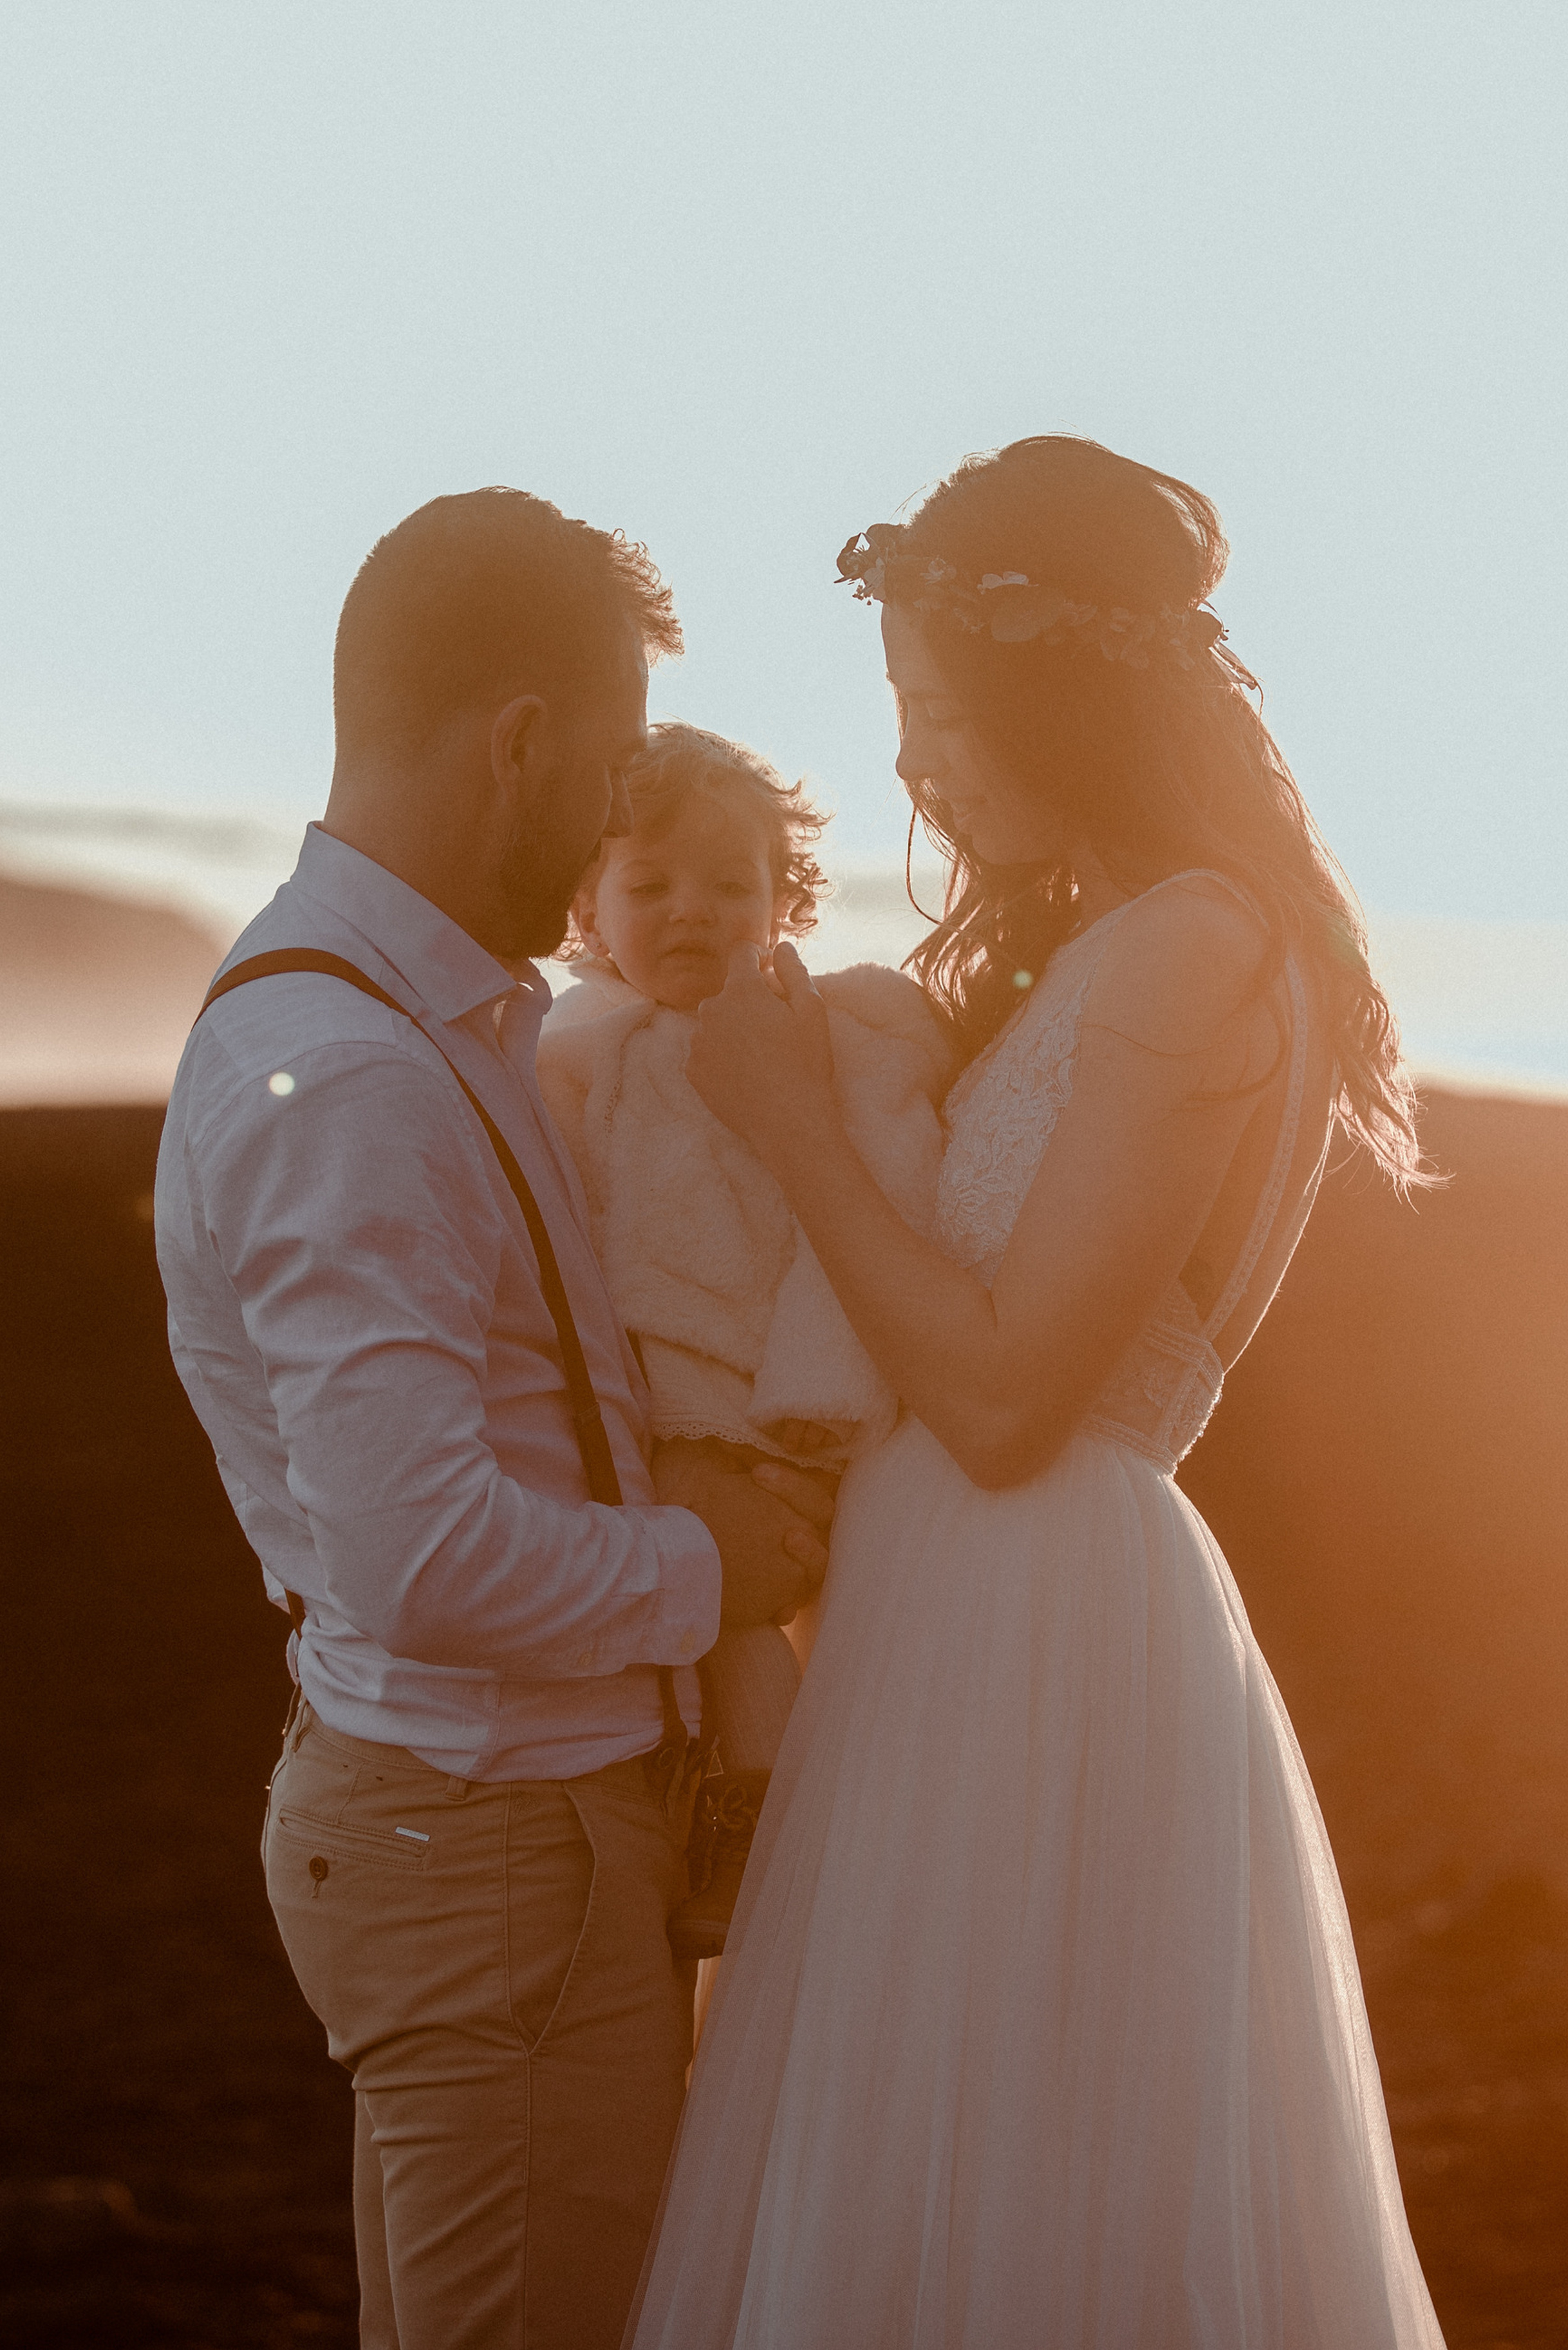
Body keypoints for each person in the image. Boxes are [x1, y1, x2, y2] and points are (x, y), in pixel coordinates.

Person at [626, 436, 1448, 2348]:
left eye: (940, 707)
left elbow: (1006, 1398)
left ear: (1055, 690)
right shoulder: (1124, 937)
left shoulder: (1193, 945)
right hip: (960, 1610)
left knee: (1001, 2189)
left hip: (1036, 1617)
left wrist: (793, 1130)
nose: (918, 760)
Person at [153, 489, 835, 2350]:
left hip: (478, 1834)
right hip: (495, 1844)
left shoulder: (431, 1019)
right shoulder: (356, 1074)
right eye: (608, 767)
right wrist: (720, 1558)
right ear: (523, 744)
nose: (621, 817)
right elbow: (424, 1554)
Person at [536, 721, 953, 1952]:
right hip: (665, 1392)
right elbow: (568, 1231)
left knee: (750, 1606)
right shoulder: (578, 1058)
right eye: (649, 886)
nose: (691, 914)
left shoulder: (824, 1035)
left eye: (733, 886)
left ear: (786, 901)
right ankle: (752, 1810)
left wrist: (819, 1395)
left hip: (787, 1385)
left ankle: (762, 1821)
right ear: (590, 908)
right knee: (719, 1616)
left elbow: (881, 1184)